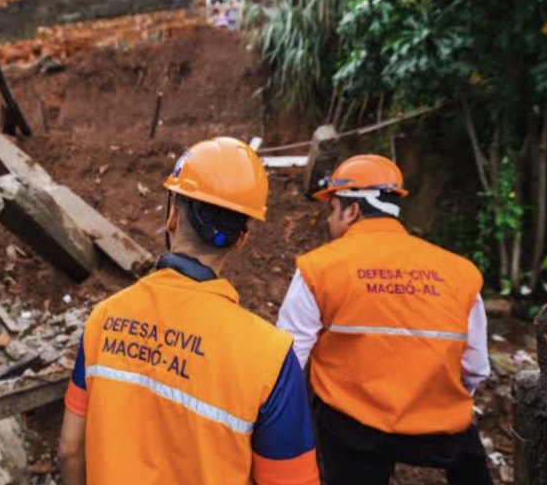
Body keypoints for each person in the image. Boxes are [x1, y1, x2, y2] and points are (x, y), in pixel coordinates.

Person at [59, 137, 320, 485]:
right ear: (241, 238)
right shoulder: (271, 359)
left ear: (172, 215)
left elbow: (70, 449)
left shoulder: (103, 320)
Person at [277, 154, 492, 484]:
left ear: (353, 210)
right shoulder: (460, 273)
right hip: (442, 428)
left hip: (352, 429)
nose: (329, 221)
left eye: (332, 209)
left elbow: (288, 360)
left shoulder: (318, 269)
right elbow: (476, 367)